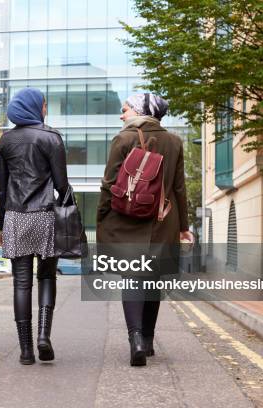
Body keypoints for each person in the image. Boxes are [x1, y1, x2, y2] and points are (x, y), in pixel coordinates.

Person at [96, 93, 192, 366]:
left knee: (133, 277)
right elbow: (179, 188)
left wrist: (102, 214)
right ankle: (148, 341)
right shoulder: (174, 142)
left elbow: (109, 183)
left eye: (124, 109)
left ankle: (135, 338)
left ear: (138, 110)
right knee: (153, 278)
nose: (121, 114)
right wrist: (183, 227)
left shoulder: (123, 139)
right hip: (164, 219)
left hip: (129, 219)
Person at [0, 88, 69, 365]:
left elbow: (2, 189)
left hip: (15, 216)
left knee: (21, 283)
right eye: (44, 104)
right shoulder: (51, 137)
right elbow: (62, 186)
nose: (46, 108)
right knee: (47, 277)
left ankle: (25, 350)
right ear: (37, 107)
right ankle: (43, 337)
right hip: (46, 215)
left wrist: (2, 223)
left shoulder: (6, 141)